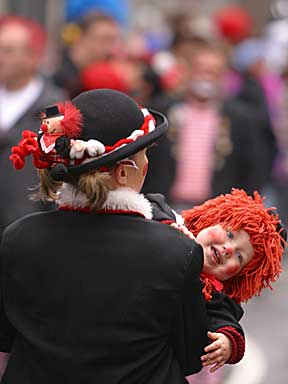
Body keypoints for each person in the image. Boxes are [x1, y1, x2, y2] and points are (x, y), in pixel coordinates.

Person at [0, 89, 209, 383]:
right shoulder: (176, 250)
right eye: (144, 153)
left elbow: (5, 338)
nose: (148, 163)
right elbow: (192, 355)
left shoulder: (17, 238)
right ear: (124, 173)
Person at [146, 188, 286, 380]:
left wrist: (228, 342)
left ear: (238, 275)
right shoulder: (176, 226)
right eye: (229, 234)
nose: (228, 249)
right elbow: (152, 203)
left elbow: (227, 322)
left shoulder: (214, 296)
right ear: (210, 219)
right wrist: (168, 229)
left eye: (239, 256)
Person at [0, 15, 66, 235]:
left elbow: (58, 168)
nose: (1, 57)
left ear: (32, 57)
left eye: (8, 51)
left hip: (26, 227)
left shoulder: (52, 107)